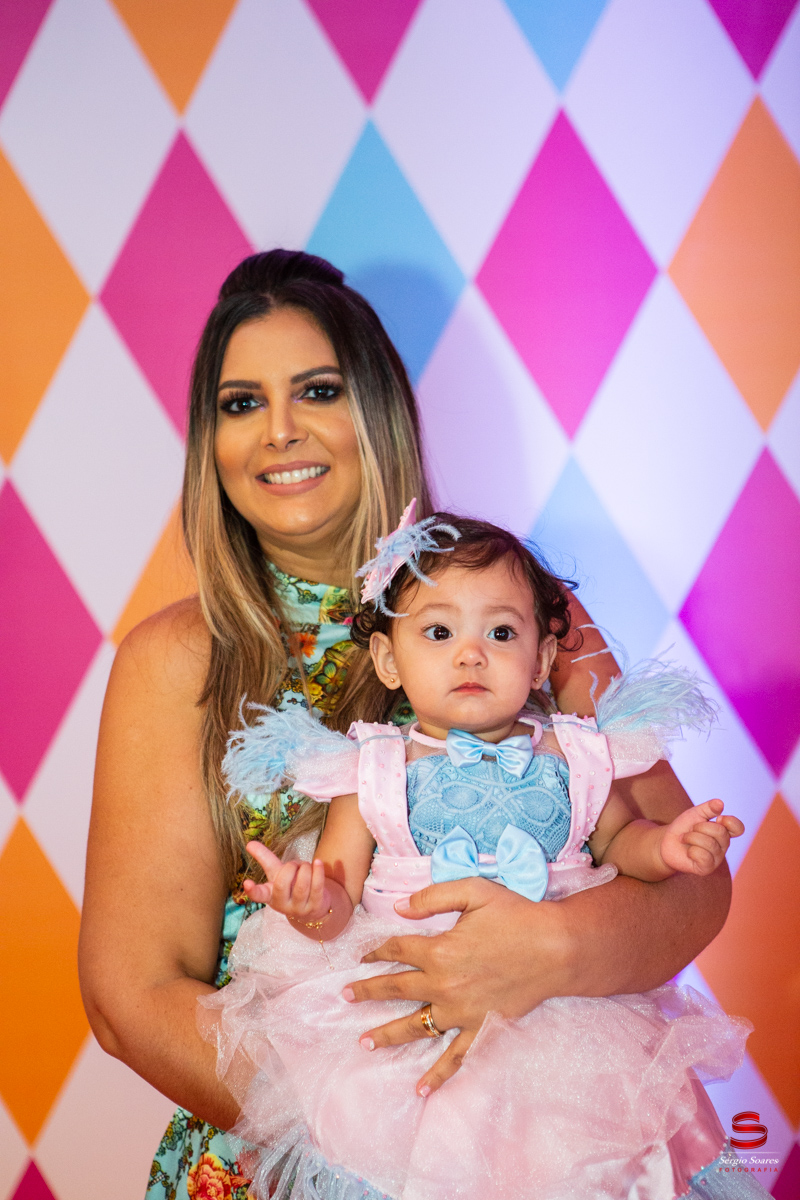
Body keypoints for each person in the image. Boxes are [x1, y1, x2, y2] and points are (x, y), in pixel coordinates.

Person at [78, 250, 735, 1200]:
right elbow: (131, 998)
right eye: (240, 403)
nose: (280, 430)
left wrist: (553, 951)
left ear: (379, 410)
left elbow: (694, 888)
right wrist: (379, 1144)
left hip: (549, 1146)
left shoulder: (518, 615)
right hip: (302, 1152)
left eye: (317, 390)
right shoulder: (176, 660)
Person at [199, 509, 758, 1200]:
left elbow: (620, 843)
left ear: (543, 660)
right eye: (439, 633)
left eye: (500, 633)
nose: (471, 654)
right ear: (389, 661)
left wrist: (669, 847)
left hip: (565, 1017)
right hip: (415, 1013)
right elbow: (337, 905)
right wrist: (309, 902)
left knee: (572, 1162)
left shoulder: (578, 757)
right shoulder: (373, 770)